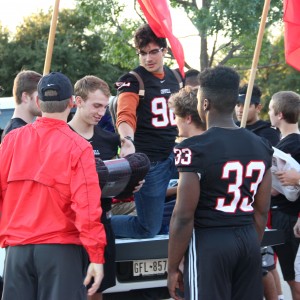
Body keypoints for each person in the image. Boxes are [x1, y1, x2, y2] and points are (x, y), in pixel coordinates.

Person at [167, 66, 273, 300]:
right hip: (248, 237)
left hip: (210, 240)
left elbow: (183, 215)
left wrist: (173, 266)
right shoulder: (261, 145)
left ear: (204, 104)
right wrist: (248, 244)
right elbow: (261, 209)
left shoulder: (193, 148)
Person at [0, 72, 106, 300]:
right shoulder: (78, 146)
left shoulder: (11, 140)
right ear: (71, 102)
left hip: (17, 250)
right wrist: (96, 256)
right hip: (60, 250)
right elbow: (87, 208)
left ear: (38, 102)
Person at [111, 23, 183, 238]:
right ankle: (97, 223)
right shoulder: (133, 80)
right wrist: (127, 140)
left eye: (153, 52)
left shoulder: (177, 77)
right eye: (142, 53)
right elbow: (125, 114)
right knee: (147, 228)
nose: (148, 58)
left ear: (165, 51)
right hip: (151, 161)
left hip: (176, 154)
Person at [69, 75, 120, 300]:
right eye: (96, 105)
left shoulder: (109, 140)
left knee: (95, 291)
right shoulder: (62, 136)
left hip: (102, 223)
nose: (101, 112)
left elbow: (117, 183)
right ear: (78, 101)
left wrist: (130, 186)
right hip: (70, 227)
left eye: (104, 107)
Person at [236, 83, 282, 300]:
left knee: (265, 260)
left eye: (245, 105)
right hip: (237, 200)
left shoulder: (269, 133)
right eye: (236, 104)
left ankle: (278, 297)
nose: (239, 109)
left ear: (258, 106)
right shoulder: (233, 129)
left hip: (260, 202)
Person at [268, 91, 300, 300]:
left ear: (279, 114)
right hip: (288, 217)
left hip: (288, 217)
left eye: (270, 109)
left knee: (294, 280)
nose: (268, 113)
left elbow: (274, 189)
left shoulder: (287, 147)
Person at [1, 70, 42, 140]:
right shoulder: (17, 133)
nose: (44, 100)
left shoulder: (17, 129)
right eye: (40, 96)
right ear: (25, 97)